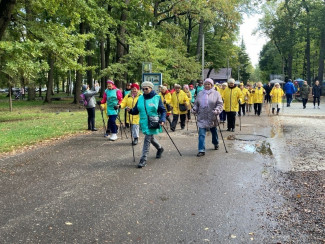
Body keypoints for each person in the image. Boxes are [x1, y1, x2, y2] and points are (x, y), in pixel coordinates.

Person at [127, 81, 166, 168]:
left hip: (153, 122)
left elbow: (163, 110)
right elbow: (135, 111)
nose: (144, 90)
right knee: (150, 138)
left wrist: (162, 119)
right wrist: (130, 111)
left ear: (151, 88)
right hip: (144, 122)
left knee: (147, 139)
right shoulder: (140, 98)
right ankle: (160, 148)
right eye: (143, 89)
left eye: (146, 88)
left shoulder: (157, 97)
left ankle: (143, 159)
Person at [192, 78, 223, 157]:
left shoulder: (216, 93)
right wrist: (194, 109)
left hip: (212, 116)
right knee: (201, 134)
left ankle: (215, 143)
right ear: (204, 85)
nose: (207, 85)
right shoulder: (200, 93)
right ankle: (201, 150)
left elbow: (220, 104)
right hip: (202, 116)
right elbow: (196, 104)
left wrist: (217, 110)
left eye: (209, 84)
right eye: (206, 84)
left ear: (212, 85)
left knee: (214, 132)